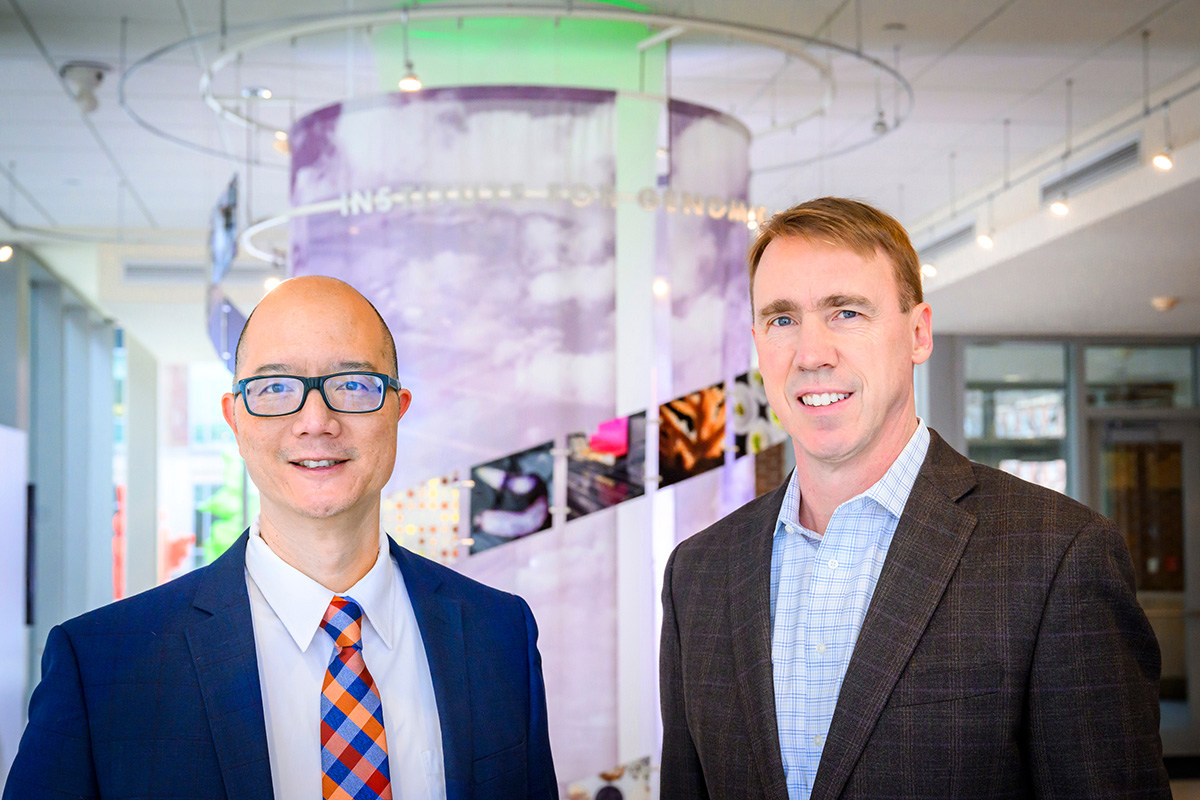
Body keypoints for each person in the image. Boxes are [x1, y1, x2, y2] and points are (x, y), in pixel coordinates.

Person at [658, 197, 1169, 799]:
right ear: (757, 344)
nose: (811, 354)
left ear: (918, 334)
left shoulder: (1058, 556)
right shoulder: (698, 573)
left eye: (846, 312)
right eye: (782, 320)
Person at [5, 276, 557, 800]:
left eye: (353, 384)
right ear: (235, 419)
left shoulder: (498, 634)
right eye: (275, 387)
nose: (316, 421)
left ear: (397, 408)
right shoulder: (102, 665)